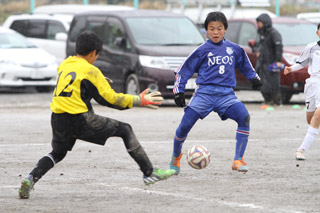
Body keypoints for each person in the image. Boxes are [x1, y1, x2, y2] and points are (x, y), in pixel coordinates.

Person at [18, 31, 175, 199]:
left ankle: (30, 178)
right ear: (93, 53)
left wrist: (99, 80)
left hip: (57, 117)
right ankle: (149, 172)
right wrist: (139, 100)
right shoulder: (91, 71)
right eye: (96, 55)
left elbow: (78, 80)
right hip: (78, 118)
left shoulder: (66, 64)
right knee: (125, 129)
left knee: (57, 153)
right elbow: (112, 100)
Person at [169, 11, 262, 174]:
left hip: (226, 95)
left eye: (219, 28)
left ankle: (238, 159)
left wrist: (254, 78)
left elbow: (246, 67)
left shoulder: (234, 49)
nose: (216, 32)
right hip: (204, 94)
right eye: (211, 29)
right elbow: (183, 71)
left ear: (225, 29)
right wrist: (179, 91)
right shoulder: (201, 50)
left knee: (244, 117)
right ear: (206, 31)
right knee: (184, 127)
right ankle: (176, 156)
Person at [284, 23, 320, 160]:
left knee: (317, 116)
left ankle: (301, 150)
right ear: (317, 33)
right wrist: (290, 69)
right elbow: (301, 63)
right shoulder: (311, 48)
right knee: (311, 119)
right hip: (313, 84)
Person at [256, 13, 283, 106]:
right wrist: (259, 51)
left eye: (260, 23)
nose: (258, 25)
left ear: (265, 22)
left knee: (273, 83)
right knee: (262, 84)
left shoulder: (274, 33)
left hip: (272, 63)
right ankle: (267, 100)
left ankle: (276, 101)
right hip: (263, 63)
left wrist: (278, 61)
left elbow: (278, 47)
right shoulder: (262, 33)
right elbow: (261, 45)